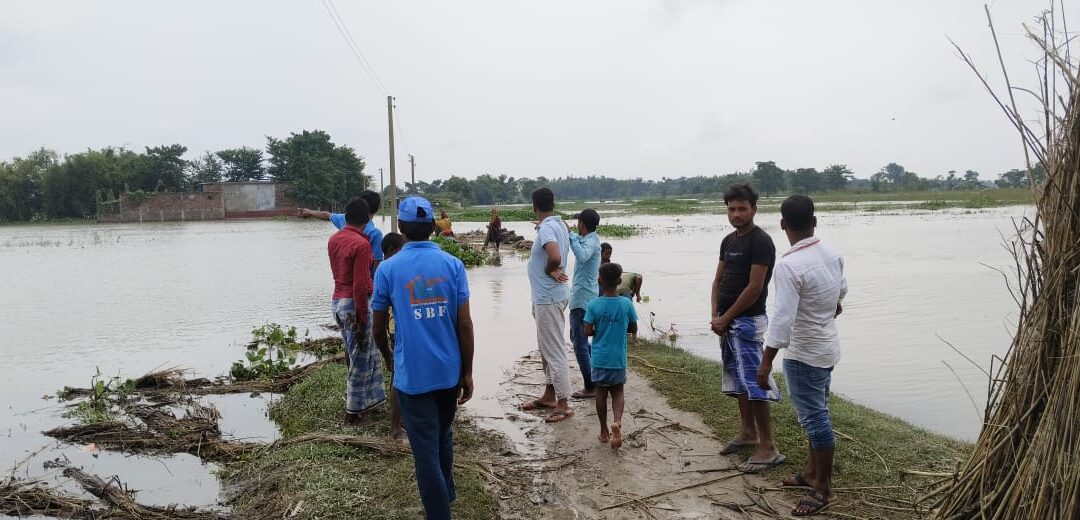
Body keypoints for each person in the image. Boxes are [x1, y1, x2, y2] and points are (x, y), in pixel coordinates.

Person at [372, 196, 475, 520]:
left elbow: (377, 327)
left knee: (425, 455)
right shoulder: (452, 265)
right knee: (442, 434)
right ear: (433, 227)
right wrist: (467, 371)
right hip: (449, 372)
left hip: (413, 377)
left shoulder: (388, 268)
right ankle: (446, 494)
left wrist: (389, 358)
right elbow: (465, 323)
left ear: (401, 229)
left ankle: (440, 510)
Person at [755, 195, 847, 516]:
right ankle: (810, 474)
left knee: (814, 418)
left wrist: (765, 362)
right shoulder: (831, 254)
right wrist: (829, 307)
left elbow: (782, 319)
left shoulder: (790, 264)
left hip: (804, 353)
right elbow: (841, 293)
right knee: (816, 409)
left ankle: (822, 488)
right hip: (826, 347)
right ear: (815, 221)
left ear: (782, 225)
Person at [709, 183, 783, 473]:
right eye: (732, 209)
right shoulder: (728, 241)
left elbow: (755, 287)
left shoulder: (761, 241)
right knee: (739, 380)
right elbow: (718, 281)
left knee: (755, 382)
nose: (736, 214)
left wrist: (726, 318)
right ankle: (748, 433)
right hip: (726, 322)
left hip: (748, 322)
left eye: (742, 209)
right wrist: (716, 314)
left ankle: (769, 447)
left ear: (754, 209)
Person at [327, 197, 385, 424]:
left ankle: (366, 404)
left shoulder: (334, 239)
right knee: (361, 357)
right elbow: (360, 285)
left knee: (357, 353)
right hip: (354, 303)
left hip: (337, 302)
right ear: (368, 218)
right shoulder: (362, 245)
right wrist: (361, 320)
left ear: (346, 216)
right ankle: (354, 412)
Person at [519, 187, 574, 423]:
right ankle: (550, 395)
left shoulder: (548, 228)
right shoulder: (559, 224)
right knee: (546, 348)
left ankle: (564, 403)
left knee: (554, 350)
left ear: (534, 206)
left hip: (549, 298)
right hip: (549, 296)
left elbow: (554, 254)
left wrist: (550, 268)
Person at [585, 262, 638, 449]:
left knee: (600, 392)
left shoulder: (593, 305)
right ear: (619, 281)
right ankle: (617, 421)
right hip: (618, 358)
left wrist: (598, 328)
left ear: (599, 281)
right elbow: (633, 327)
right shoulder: (626, 303)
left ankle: (603, 430)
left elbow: (588, 331)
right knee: (618, 391)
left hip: (600, 357)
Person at [299, 190, 385, 272]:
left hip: (344, 275)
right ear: (376, 210)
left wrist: (309, 212)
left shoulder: (345, 219)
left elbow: (326, 215)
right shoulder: (375, 234)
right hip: (365, 280)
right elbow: (377, 264)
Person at [567, 209, 601, 399]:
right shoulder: (589, 239)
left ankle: (591, 386)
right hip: (583, 297)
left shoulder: (591, 242)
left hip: (583, 299)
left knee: (579, 343)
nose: (576, 225)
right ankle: (596, 376)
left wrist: (569, 236)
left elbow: (582, 255)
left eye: (578, 222)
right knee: (579, 340)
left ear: (582, 223)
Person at [380, 231, 407, 442]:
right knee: (398, 377)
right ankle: (396, 427)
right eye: (401, 248)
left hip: (403, 327)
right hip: (395, 328)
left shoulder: (394, 268)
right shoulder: (386, 270)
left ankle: (404, 421)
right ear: (391, 251)